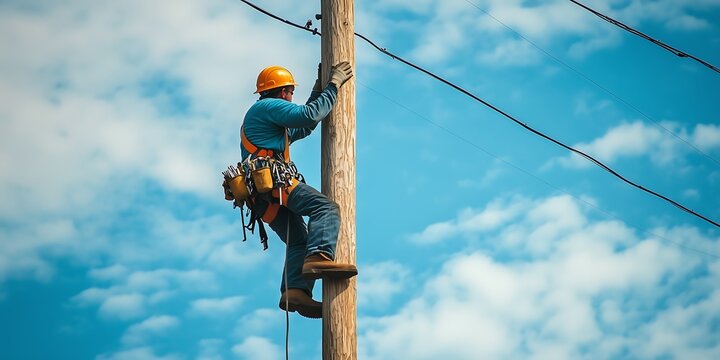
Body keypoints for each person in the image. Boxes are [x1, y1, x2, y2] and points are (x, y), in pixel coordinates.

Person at [239, 62, 357, 319]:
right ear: (283, 92)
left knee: (297, 240)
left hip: (261, 197)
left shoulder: (267, 119)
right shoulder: (267, 107)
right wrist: (334, 86)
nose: (292, 97)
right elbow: (308, 115)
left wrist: (319, 90)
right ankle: (320, 255)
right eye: (291, 92)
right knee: (325, 208)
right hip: (273, 185)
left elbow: (304, 125)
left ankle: (295, 291)